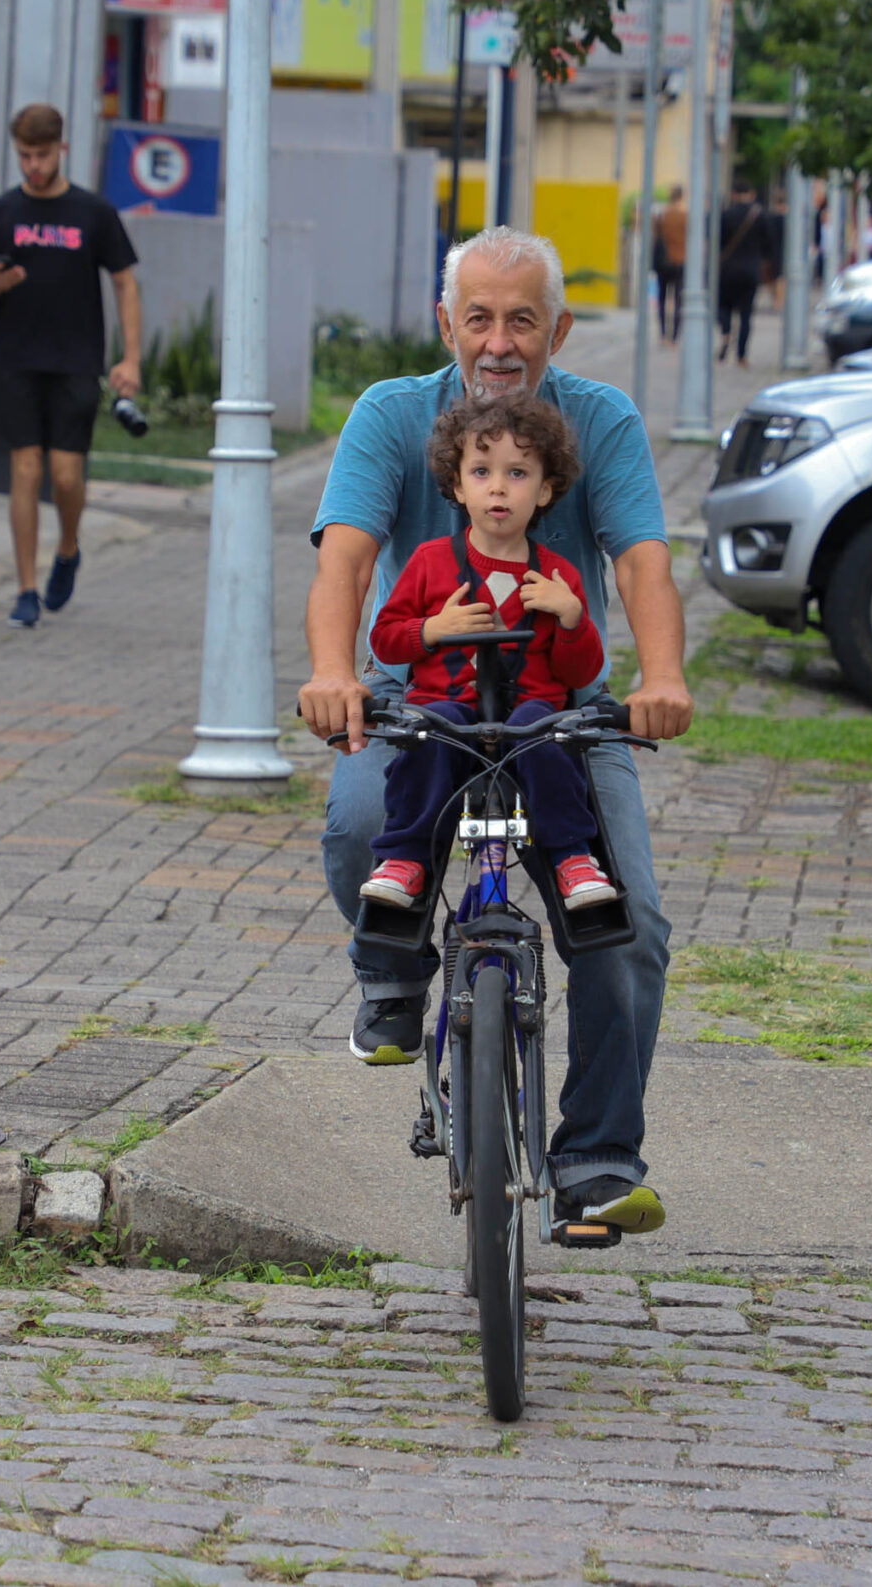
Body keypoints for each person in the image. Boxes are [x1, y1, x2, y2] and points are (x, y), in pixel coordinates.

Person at [300, 225, 694, 1238]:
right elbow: (343, 564)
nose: (499, 340)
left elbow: (643, 562)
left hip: (560, 715)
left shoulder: (599, 422)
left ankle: (598, 1160)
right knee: (354, 828)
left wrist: (661, 677)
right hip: (417, 706)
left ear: (558, 328)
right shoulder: (392, 415)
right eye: (478, 316)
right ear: (446, 324)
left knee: (630, 925)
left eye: (523, 318)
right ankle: (393, 981)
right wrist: (336, 673)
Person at [358, 393, 619, 919]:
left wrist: (571, 618)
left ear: (545, 490)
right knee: (427, 736)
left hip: (528, 718)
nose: (498, 487)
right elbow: (385, 639)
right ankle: (405, 859)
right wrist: (430, 630)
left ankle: (572, 858)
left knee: (550, 737)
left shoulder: (558, 575)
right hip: (447, 707)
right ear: (457, 485)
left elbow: (579, 671)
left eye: (518, 473)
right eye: (481, 470)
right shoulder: (431, 563)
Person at [0, 104, 142, 630]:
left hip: (74, 359)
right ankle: (24, 588)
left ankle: (67, 547)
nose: (33, 166)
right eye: (24, 155)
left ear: (61, 149)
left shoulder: (92, 213)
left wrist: (130, 359)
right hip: (12, 357)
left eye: (41, 155)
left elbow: (125, 282)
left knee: (66, 475)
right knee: (25, 467)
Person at [716, 179, 769, 368]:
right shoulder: (760, 215)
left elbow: (717, 242)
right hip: (750, 270)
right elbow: (767, 245)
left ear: (733, 194)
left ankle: (726, 332)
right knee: (746, 314)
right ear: (750, 193)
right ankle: (741, 356)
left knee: (723, 305)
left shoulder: (725, 215)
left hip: (727, 270)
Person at [652, 186, 688, 344]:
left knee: (662, 298)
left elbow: (655, 237)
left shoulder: (662, 215)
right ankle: (674, 337)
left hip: (663, 261)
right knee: (679, 300)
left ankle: (662, 334)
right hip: (681, 261)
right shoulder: (686, 216)